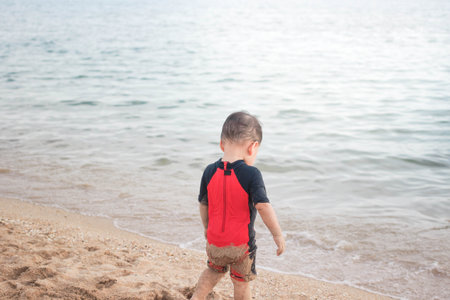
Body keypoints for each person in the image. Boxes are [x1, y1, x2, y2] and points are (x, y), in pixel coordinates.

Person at [192, 111, 286, 300]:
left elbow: (204, 204)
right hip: (241, 247)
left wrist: (206, 228)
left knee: (212, 272)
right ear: (253, 147)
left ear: (221, 144)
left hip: (215, 242)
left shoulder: (209, 171)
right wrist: (277, 234)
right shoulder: (252, 174)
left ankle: (196, 298)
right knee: (241, 283)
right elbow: (263, 206)